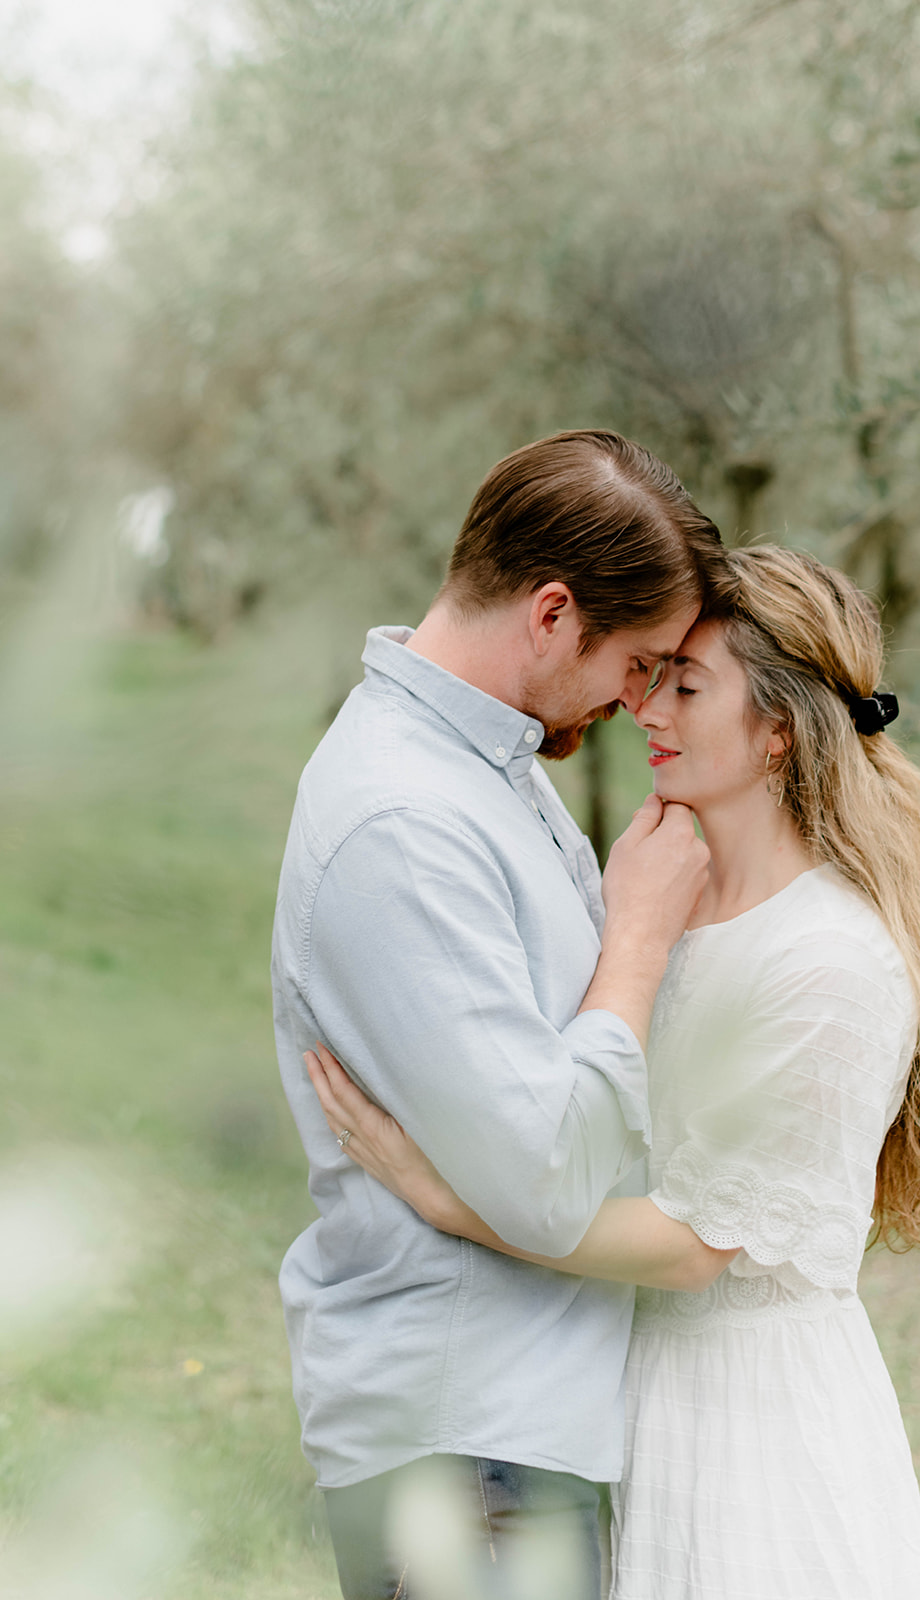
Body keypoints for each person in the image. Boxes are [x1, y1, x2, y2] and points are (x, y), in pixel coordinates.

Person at [308, 544, 920, 1600]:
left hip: (747, 1433)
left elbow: (689, 1249)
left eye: (684, 685)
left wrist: (445, 1196)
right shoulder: (661, 894)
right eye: (650, 675)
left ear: (775, 732)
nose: (644, 708)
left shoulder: (831, 962)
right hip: (616, 1395)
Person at [272, 429, 732, 1600]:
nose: (637, 704)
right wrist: (634, 937)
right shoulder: (403, 820)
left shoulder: (490, 767)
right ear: (550, 613)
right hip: (464, 1450)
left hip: (510, 1435)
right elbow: (541, 1176)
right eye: (634, 664)